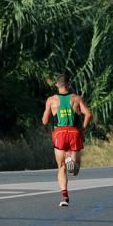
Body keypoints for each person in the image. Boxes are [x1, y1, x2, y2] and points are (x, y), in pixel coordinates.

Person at [42, 73, 91, 207]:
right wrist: (82, 129)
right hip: (74, 132)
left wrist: (51, 113)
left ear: (57, 85)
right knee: (75, 171)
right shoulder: (76, 98)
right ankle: (72, 162)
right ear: (69, 85)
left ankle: (64, 196)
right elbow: (88, 114)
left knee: (61, 167)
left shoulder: (51, 100)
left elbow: (45, 121)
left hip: (59, 134)